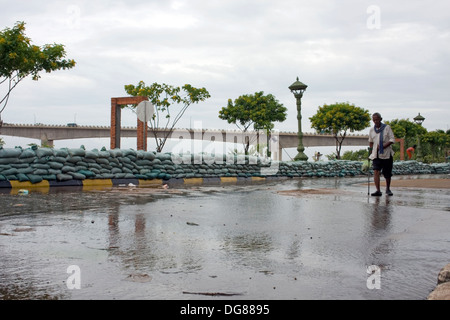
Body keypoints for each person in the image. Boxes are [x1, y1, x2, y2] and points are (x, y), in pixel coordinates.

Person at [368, 112, 395, 196]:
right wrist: (370, 153)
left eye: (377, 119)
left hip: (386, 154)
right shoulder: (372, 130)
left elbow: (392, 139)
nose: (376, 121)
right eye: (374, 120)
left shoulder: (387, 128)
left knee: (387, 173)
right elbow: (371, 142)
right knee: (376, 171)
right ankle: (378, 190)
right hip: (376, 155)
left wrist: (383, 146)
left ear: (380, 119)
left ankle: (388, 188)